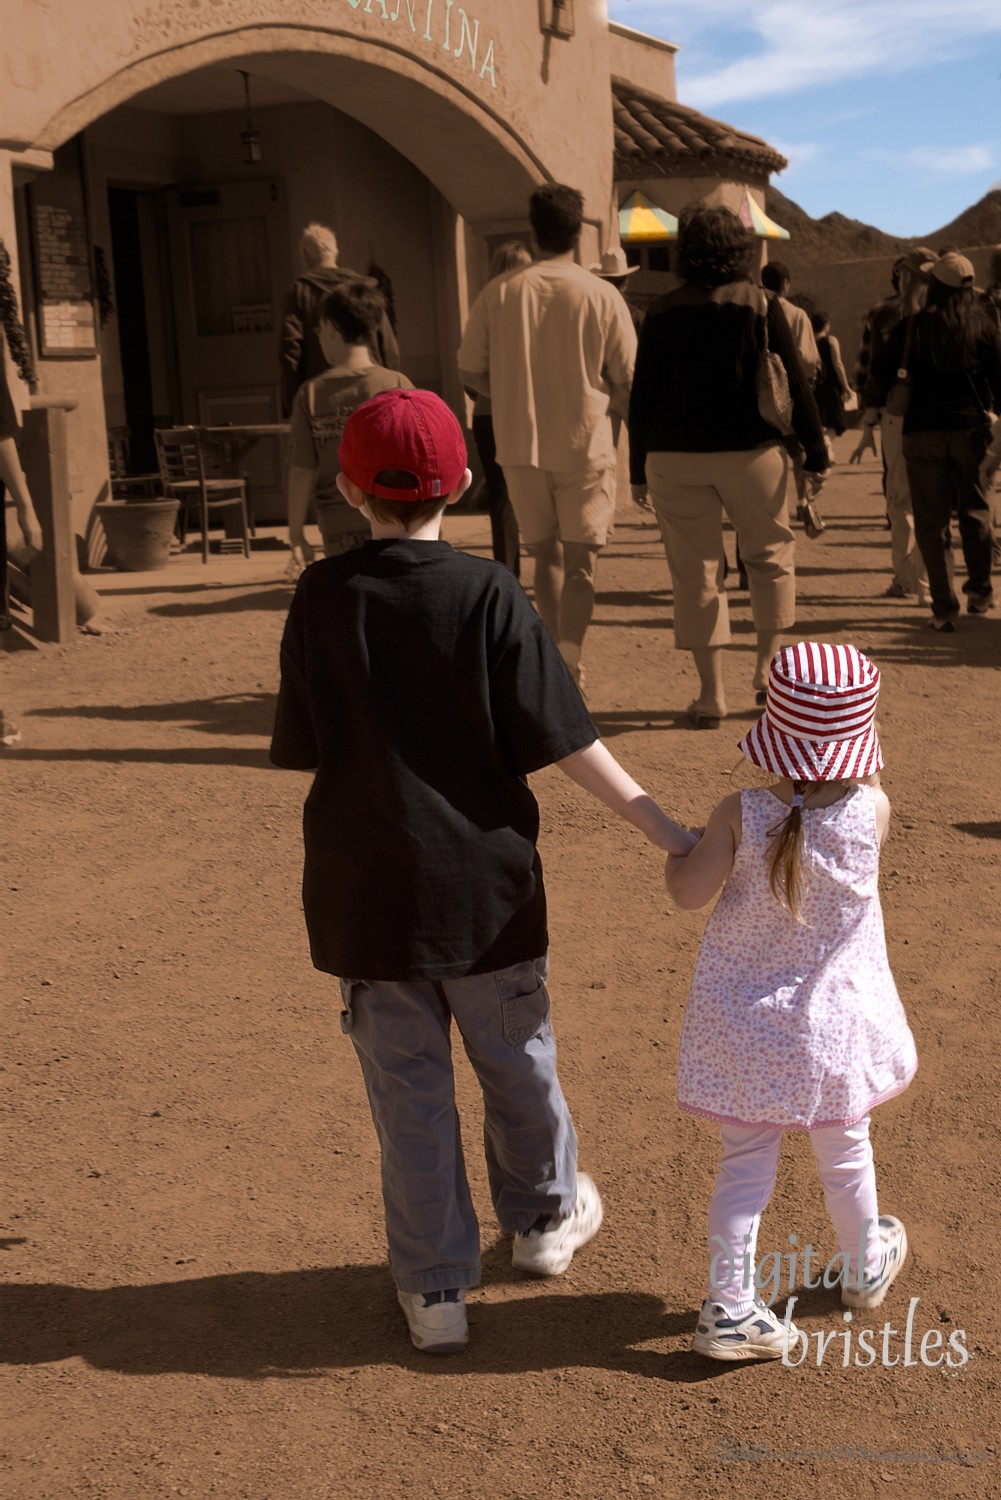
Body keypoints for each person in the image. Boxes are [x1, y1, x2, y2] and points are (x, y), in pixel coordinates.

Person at [270, 388, 697, 1355]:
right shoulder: (489, 593)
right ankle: (543, 1222)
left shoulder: (320, 596)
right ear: (463, 481)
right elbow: (565, 738)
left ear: (347, 489)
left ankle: (433, 1293)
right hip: (486, 892)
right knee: (517, 1059)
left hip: (366, 896)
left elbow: (305, 744)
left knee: (408, 1095)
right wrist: (659, 825)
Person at [665, 641, 916, 1361]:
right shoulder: (872, 811)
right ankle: (864, 1266)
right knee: (845, 1150)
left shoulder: (737, 812)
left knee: (744, 1167)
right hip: (834, 1030)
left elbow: (686, 896)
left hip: (744, 1030)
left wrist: (679, 851)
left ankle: (731, 1307)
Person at [628, 204, 828, 728]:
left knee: (696, 572)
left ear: (685, 250)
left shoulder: (662, 311)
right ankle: (766, 672)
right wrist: (817, 452)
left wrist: (635, 469)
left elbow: (642, 394)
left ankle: (710, 694)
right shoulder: (762, 304)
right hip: (753, 453)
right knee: (768, 557)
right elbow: (797, 386)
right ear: (739, 250)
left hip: (674, 455)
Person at [457, 184, 637, 694]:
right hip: (585, 442)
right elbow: (626, 378)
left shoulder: (499, 293)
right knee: (581, 562)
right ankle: (571, 656)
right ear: (577, 231)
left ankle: (558, 662)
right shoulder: (602, 293)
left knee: (544, 557)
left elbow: (471, 371)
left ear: (533, 231)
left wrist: (511, 392)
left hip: (521, 444)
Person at [864, 251, 1001, 629]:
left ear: (936, 286)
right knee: (975, 513)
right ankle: (980, 592)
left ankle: (943, 608)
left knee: (930, 520)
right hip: (970, 432)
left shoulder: (914, 327)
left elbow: (881, 370)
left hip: (921, 434)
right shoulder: (984, 326)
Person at [285, 281, 412, 574]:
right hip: (396, 519)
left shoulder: (311, 394)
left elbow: (301, 471)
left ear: (330, 327)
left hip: (337, 526)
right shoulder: (397, 385)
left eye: (318, 331)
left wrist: (295, 535)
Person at [851, 250, 936, 604]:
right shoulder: (948, 314)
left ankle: (905, 579)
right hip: (940, 416)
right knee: (935, 502)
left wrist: (868, 420)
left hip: (896, 414)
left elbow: (869, 370)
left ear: (902, 276)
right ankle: (931, 582)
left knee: (900, 501)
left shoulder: (883, 313)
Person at [279, 223, 400, 415]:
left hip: (321, 399)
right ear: (335, 252)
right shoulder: (364, 290)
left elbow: (290, 350)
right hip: (372, 392)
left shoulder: (300, 292)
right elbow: (388, 344)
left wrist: (293, 402)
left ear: (305, 254)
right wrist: (391, 386)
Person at [465, 240, 532, 577]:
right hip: (526, 412)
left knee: (500, 496)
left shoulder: (483, 307)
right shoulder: (534, 310)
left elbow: (468, 373)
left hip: (487, 414)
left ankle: (507, 570)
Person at [761, 261, 822, 530]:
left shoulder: (755, 307)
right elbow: (808, 360)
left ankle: (769, 506)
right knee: (798, 454)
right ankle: (801, 501)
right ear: (786, 284)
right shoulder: (797, 315)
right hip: (791, 396)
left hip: (761, 395)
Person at [810, 310, 853, 453]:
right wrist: (846, 387)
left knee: (821, 421)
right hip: (831, 386)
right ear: (826, 325)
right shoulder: (830, 341)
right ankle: (826, 445)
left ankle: (826, 451)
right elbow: (838, 365)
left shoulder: (808, 342)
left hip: (815, 385)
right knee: (837, 421)